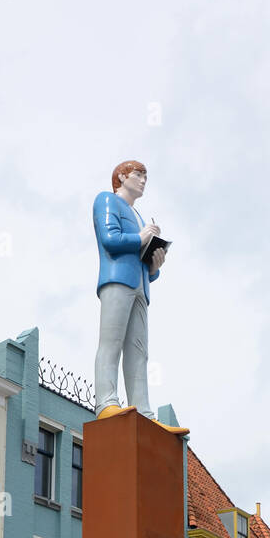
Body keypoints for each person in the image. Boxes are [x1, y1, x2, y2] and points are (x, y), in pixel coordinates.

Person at [92, 160, 186, 434]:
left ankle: (143, 411)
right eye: (138, 175)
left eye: (146, 176)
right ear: (122, 176)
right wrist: (141, 237)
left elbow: (144, 261)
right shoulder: (107, 200)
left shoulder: (140, 216)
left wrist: (154, 266)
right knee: (111, 341)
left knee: (139, 352)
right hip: (117, 279)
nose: (143, 180)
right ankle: (106, 402)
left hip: (140, 286)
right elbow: (110, 239)